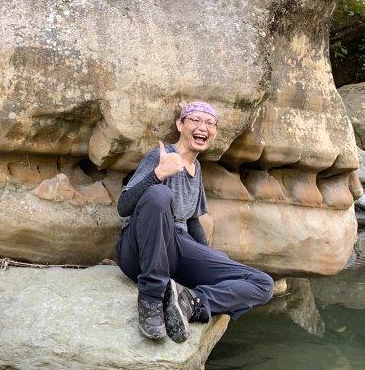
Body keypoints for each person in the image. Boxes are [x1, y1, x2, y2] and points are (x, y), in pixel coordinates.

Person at [116, 100, 274, 342]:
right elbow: (124, 206)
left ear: (215, 132)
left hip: (176, 248)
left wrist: (210, 258)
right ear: (180, 125)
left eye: (210, 123)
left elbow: (192, 222)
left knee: (262, 283)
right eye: (196, 120)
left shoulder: (196, 167)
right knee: (159, 195)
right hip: (139, 248)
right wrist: (158, 174)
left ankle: (192, 302)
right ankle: (151, 299)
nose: (203, 127)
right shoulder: (161, 156)